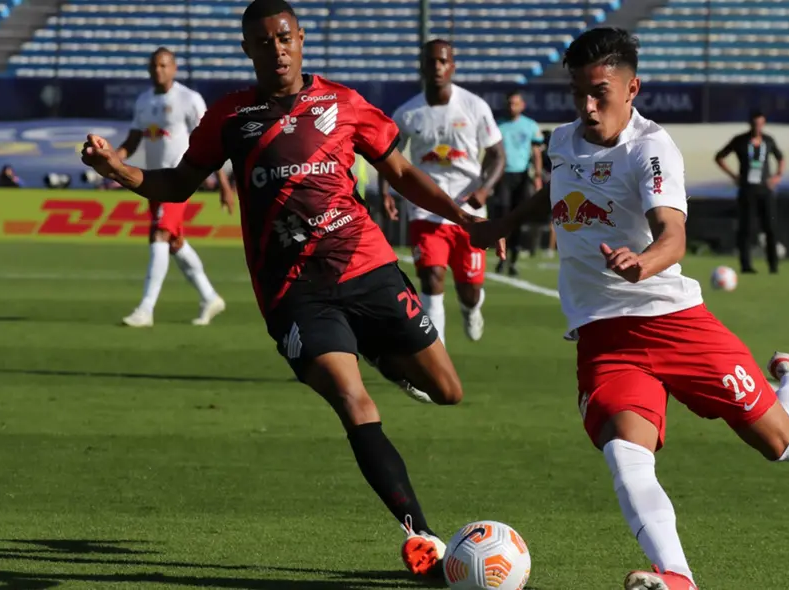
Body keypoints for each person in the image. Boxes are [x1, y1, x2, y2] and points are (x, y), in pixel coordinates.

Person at [80, 0, 498, 578]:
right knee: (353, 401)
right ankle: (420, 534)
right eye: (263, 41)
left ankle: (379, 352)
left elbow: (400, 172)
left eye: (283, 37)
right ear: (246, 49)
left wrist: (462, 217)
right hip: (294, 292)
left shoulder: (343, 103)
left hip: (368, 267)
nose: (275, 50)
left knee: (447, 391)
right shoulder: (230, 116)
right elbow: (177, 183)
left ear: (300, 39)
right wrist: (116, 171)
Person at [469, 27, 789, 590]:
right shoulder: (563, 140)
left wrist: (643, 263)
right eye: (578, 93)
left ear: (631, 88)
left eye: (600, 93)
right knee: (625, 453)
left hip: (674, 322)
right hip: (604, 337)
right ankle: (677, 575)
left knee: (784, 445)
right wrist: (506, 223)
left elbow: (673, 234)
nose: (588, 107)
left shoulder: (651, 149)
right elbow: (554, 189)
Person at [381, 39, 505, 345]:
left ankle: (471, 307)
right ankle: (438, 353)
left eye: (442, 61)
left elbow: (497, 155)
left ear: (452, 67)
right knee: (431, 277)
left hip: (469, 212)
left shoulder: (474, 106)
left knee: (469, 290)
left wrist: (485, 190)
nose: (437, 67)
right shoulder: (407, 113)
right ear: (422, 67)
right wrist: (385, 192)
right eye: (431, 61)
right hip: (426, 209)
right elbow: (387, 154)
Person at [115, 47, 234, 328]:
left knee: (159, 234)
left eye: (164, 65)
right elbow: (132, 141)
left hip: (180, 180)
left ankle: (146, 309)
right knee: (174, 242)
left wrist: (223, 183)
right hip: (154, 181)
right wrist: (112, 159)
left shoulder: (189, 99)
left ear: (174, 68)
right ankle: (209, 297)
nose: (158, 70)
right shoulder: (144, 101)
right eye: (154, 66)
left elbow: (210, 142)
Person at [715, 109, 785, 274]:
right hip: (747, 190)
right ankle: (746, 265)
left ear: (764, 124)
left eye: (760, 124)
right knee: (746, 228)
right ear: (750, 124)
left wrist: (778, 176)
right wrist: (734, 176)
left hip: (765, 190)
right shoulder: (740, 140)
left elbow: (780, 157)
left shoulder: (768, 141)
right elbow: (719, 157)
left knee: (770, 228)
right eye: (755, 124)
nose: (757, 127)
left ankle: (773, 265)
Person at [494, 89, 544, 276]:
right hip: (503, 176)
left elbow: (536, 153)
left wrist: (537, 176)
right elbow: (492, 153)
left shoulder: (530, 125)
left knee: (517, 219)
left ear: (522, 105)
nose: (512, 107)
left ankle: (513, 259)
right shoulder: (498, 125)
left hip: (522, 176)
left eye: (515, 103)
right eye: (509, 103)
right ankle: (501, 257)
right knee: (503, 217)